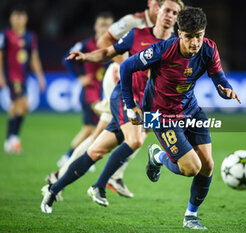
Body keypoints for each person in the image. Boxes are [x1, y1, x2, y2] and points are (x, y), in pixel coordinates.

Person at [40, 0, 184, 214]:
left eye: (175, 13)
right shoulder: (136, 34)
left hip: (145, 106)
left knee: (96, 150)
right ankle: (100, 185)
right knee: (135, 140)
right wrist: (86, 56)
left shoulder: (176, 45)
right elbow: (108, 52)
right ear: (157, 10)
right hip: (124, 97)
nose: (170, 15)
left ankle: (53, 189)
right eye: (167, 10)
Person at [120, 7, 241, 229]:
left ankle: (190, 217)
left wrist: (226, 89)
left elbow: (218, 77)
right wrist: (130, 106)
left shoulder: (209, 49)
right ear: (179, 33)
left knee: (207, 165)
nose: (195, 42)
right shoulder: (161, 51)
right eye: (189, 37)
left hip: (190, 109)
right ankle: (158, 157)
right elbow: (126, 67)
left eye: (199, 36)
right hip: (160, 114)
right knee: (190, 168)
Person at [56, 12, 114, 168]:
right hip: (90, 93)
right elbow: (66, 60)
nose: (105, 28)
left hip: (103, 93)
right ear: (96, 26)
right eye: (102, 24)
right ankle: (71, 156)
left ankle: (78, 156)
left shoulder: (112, 46)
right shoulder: (86, 45)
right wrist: (80, 77)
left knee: (93, 128)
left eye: (108, 25)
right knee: (92, 128)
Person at [0, 5, 46, 154]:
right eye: (16, 16)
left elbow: (34, 58)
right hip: (12, 76)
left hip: (23, 77)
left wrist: (40, 77)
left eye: (21, 17)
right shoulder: (5, 35)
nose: (18, 20)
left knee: (15, 107)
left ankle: (9, 140)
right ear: (11, 19)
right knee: (23, 104)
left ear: (25, 19)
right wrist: (0, 75)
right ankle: (14, 139)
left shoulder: (30, 36)